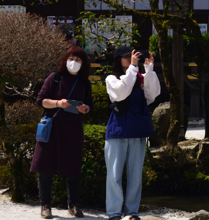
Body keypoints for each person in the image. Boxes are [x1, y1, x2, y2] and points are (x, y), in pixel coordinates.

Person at [31, 47, 93, 219]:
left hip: (72, 128)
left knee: (73, 168)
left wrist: (84, 108)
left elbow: (90, 105)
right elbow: (41, 101)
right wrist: (58, 103)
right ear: (65, 60)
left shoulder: (84, 83)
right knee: (45, 168)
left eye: (78, 60)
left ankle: (73, 205)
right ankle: (45, 205)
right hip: (52, 127)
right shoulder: (55, 78)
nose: (74, 62)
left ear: (83, 64)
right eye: (71, 58)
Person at [104, 46, 160, 220]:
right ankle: (114, 212)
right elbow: (121, 93)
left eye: (132, 56)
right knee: (114, 174)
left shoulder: (140, 77)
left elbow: (152, 95)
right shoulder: (112, 78)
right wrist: (133, 68)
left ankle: (132, 212)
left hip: (137, 131)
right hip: (117, 132)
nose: (130, 58)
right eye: (126, 57)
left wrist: (149, 69)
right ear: (117, 60)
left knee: (135, 175)